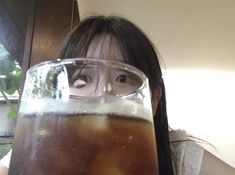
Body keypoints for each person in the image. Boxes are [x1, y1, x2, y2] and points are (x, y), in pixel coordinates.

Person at [1, 15, 235, 175]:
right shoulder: (46, 141)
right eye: (82, 79)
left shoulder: (177, 151)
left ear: (152, 100)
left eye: (122, 78)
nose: (103, 92)